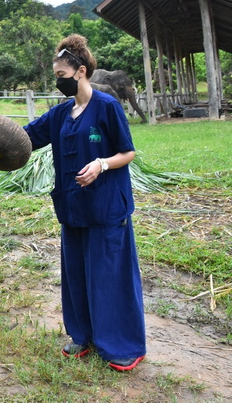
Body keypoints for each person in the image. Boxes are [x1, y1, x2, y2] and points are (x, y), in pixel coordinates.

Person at [23, 34, 146, 371]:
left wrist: (102, 164)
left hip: (106, 206)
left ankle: (122, 345)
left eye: (61, 76)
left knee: (110, 276)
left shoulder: (106, 106)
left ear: (79, 72)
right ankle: (83, 336)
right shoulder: (60, 113)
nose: (57, 82)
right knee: (76, 273)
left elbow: (128, 152)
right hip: (73, 206)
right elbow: (26, 137)